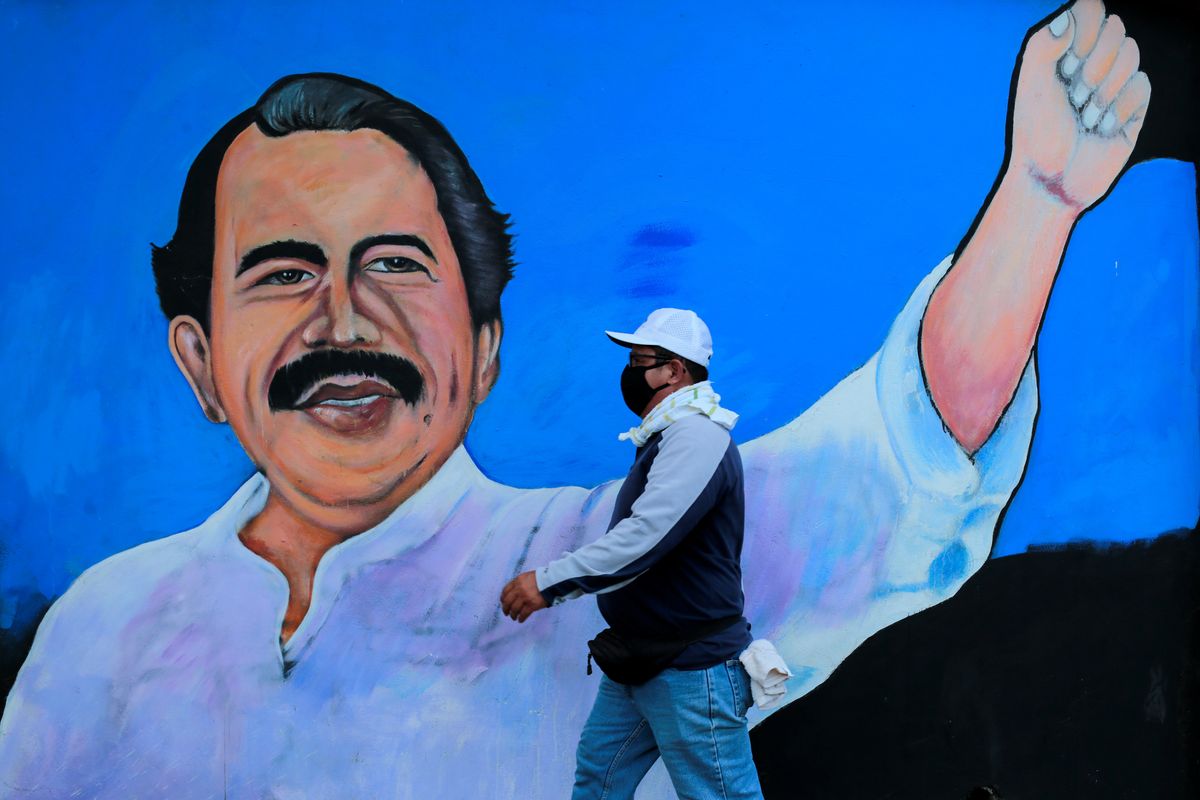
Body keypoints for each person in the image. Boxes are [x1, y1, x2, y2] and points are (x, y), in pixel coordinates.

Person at [0, 2, 1151, 797]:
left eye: (396, 263)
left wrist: (1039, 200)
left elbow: (897, 466)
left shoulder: (618, 556)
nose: (343, 318)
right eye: (283, 270)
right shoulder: (95, 638)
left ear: (484, 345)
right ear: (199, 358)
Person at [502, 307, 763, 798]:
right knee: (600, 778)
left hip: (691, 668)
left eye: (641, 361)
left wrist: (547, 583)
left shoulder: (696, 436)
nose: (630, 372)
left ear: (675, 370)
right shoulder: (668, 435)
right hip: (640, 657)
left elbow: (646, 538)